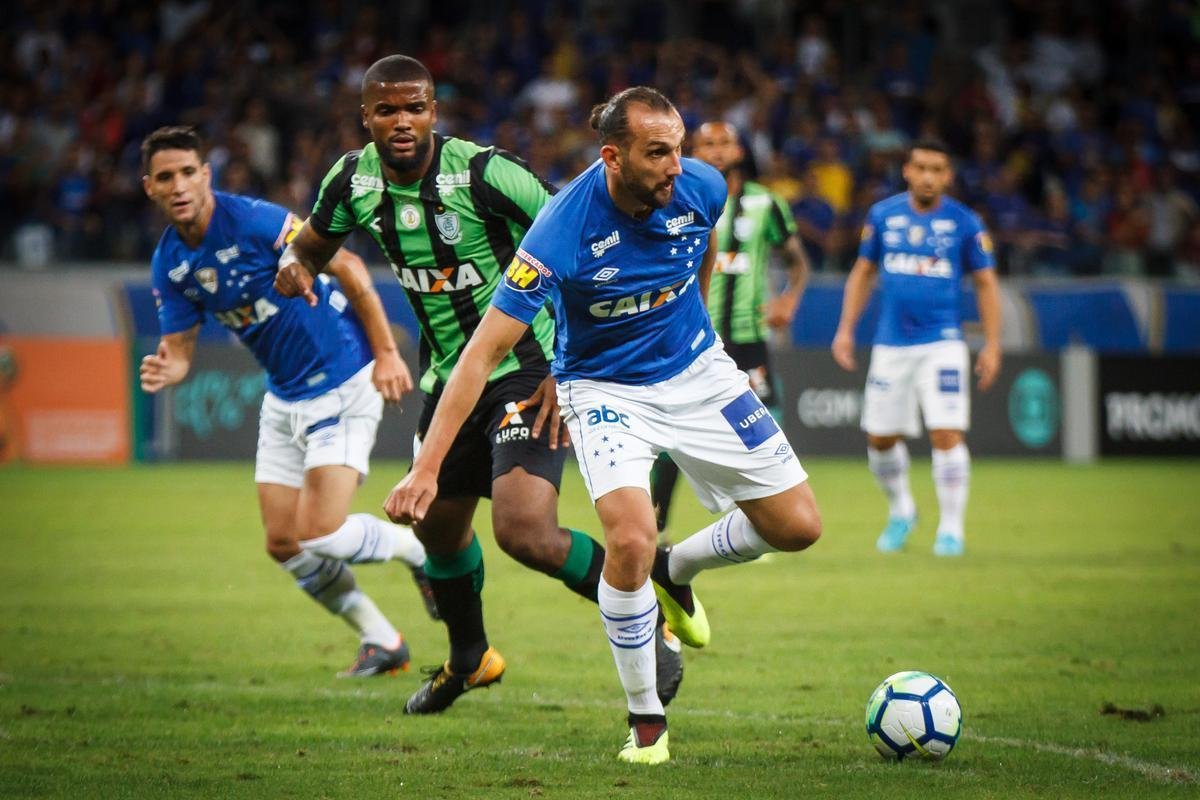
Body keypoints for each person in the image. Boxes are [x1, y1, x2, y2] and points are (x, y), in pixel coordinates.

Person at [383, 86, 822, 765]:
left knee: (798, 527)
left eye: (679, 149)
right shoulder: (560, 230)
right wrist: (425, 467)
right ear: (612, 156)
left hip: (699, 371)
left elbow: (701, 246)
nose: (677, 166)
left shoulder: (701, 186)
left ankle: (676, 571)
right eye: (658, 153)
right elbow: (481, 355)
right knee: (628, 539)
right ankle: (646, 720)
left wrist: (695, 318)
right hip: (605, 390)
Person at [272, 56, 688, 716]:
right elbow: (313, 247)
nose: (401, 121)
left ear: (434, 111)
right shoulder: (352, 180)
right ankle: (471, 659)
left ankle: (651, 616)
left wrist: (565, 364)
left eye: (415, 108)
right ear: (366, 118)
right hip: (450, 378)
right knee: (438, 531)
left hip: (528, 366)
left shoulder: (485, 174)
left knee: (523, 530)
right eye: (387, 110)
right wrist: (296, 268)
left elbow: (580, 238)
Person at [138, 125, 434, 678]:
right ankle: (382, 640)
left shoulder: (252, 220)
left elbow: (345, 264)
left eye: (186, 173)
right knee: (282, 541)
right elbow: (179, 352)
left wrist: (388, 353)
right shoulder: (170, 264)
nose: (178, 185)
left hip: (343, 378)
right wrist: (166, 368)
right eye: (164, 177)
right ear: (149, 187)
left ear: (206, 175)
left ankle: (421, 553)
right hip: (283, 397)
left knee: (320, 529)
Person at [831, 138, 1002, 557]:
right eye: (921, 167)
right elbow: (862, 273)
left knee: (946, 431)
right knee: (880, 439)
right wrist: (845, 330)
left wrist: (993, 345)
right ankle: (902, 510)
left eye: (937, 169)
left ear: (948, 176)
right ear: (907, 170)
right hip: (891, 344)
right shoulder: (883, 215)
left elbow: (986, 283)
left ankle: (951, 529)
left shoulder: (965, 222)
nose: (928, 176)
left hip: (943, 342)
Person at [649, 120, 810, 537]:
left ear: (740, 151)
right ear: (693, 153)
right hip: (692, 338)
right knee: (672, 436)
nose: (718, 151)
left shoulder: (766, 203)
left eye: (725, 143)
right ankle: (657, 525)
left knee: (763, 428)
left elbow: (797, 261)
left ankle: (762, 521)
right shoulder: (674, 200)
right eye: (708, 145)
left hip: (748, 335)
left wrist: (788, 300)